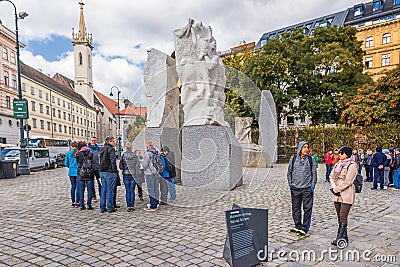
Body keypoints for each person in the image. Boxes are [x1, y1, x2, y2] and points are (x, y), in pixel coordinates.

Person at [287, 141, 317, 237]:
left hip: (307, 188)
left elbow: (314, 174)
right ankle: (297, 225)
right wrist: (290, 184)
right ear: (300, 148)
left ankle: (305, 227)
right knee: (296, 208)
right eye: (304, 147)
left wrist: (312, 186)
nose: (306, 149)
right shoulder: (293, 158)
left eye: (307, 147)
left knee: (307, 208)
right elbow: (289, 172)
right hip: (295, 188)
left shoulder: (311, 159)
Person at [329, 146, 357, 247]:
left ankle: (339, 238)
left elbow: (348, 181)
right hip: (336, 194)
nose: (339, 154)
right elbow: (331, 176)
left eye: (341, 153)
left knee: (343, 215)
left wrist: (337, 189)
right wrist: (333, 187)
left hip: (346, 193)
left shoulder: (352, 165)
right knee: (339, 216)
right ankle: (344, 238)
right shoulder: (337, 164)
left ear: (346, 154)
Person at [99, 136, 118, 213]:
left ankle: (102, 207)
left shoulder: (101, 149)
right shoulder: (111, 149)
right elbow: (113, 161)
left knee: (103, 190)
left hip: (102, 171)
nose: (114, 142)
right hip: (110, 172)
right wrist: (115, 171)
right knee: (110, 190)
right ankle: (110, 207)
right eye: (113, 141)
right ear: (109, 142)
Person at [119, 142, 140, 212]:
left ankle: (128, 206)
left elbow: (120, 166)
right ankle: (132, 205)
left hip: (126, 174)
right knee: (132, 190)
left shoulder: (123, 155)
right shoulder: (134, 156)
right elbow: (137, 166)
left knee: (127, 190)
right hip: (133, 174)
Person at [76, 141, 95, 210]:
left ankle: (81, 205)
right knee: (90, 190)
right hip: (89, 173)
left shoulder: (78, 154)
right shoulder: (91, 153)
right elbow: (93, 163)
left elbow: (78, 163)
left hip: (81, 173)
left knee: (81, 190)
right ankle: (89, 204)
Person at [142, 141, 160, 212]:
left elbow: (145, 165)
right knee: (156, 188)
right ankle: (156, 202)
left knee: (151, 189)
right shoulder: (157, 152)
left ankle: (153, 205)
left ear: (148, 146)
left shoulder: (148, 154)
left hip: (150, 174)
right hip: (157, 173)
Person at [64, 141, 79, 207]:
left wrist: (70, 166)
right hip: (78, 172)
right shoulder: (78, 153)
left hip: (71, 172)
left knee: (73, 187)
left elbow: (66, 163)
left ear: (71, 146)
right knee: (78, 187)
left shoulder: (68, 153)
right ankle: (77, 201)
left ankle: (73, 201)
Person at [88, 136, 101, 202]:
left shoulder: (98, 148)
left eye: (94, 140)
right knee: (91, 183)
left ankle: (101, 195)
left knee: (100, 182)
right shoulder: (88, 148)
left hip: (98, 168)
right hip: (90, 168)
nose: (93, 142)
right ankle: (93, 196)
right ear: (90, 141)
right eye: (92, 140)